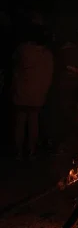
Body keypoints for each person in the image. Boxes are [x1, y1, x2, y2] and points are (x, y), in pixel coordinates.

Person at [11, 21, 54, 160]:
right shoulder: (47, 54)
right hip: (37, 94)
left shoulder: (22, 50)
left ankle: (18, 151)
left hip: (21, 92)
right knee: (33, 121)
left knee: (20, 122)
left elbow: (14, 66)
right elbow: (49, 74)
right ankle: (31, 151)